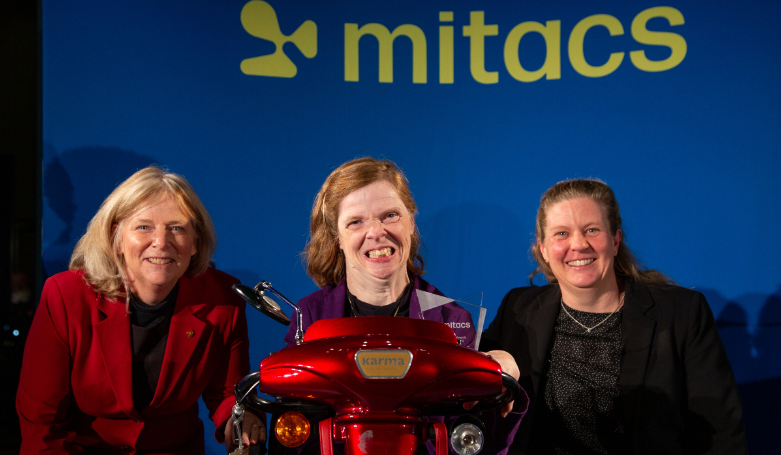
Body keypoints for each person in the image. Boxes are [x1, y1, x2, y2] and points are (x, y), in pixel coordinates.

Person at [277, 157, 527, 455]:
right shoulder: (310, 318)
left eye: (390, 215)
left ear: (411, 222)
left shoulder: (451, 319)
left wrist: (498, 375)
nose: (376, 231)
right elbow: (293, 436)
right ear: (337, 239)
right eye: (356, 222)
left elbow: (469, 437)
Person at [481, 179, 748, 455]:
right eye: (561, 233)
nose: (579, 244)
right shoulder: (517, 309)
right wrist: (492, 362)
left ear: (615, 240)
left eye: (592, 230)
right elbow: (465, 385)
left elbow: (722, 433)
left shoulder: (681, 313)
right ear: (544, 249)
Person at [17, 166, 264, 454]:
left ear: (194, 242)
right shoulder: (65, 296)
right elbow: (41, 421)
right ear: (116, 238)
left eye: (176, 228)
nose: (161, 242)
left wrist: (242, 418)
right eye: (144, 226)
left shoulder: (223, 298)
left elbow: (228, 394)